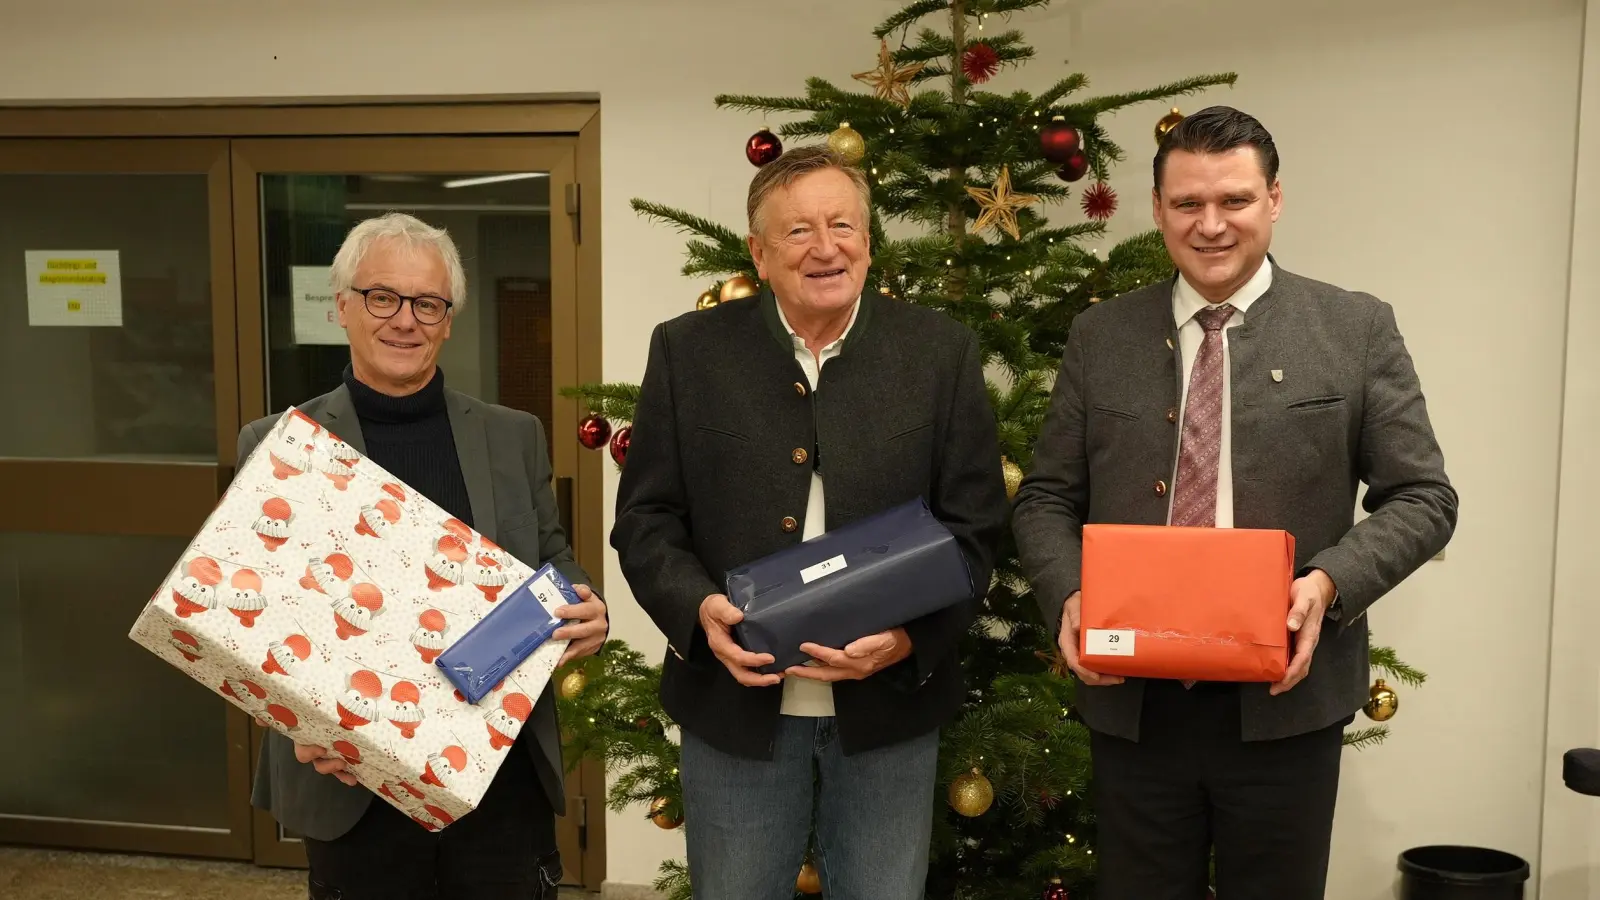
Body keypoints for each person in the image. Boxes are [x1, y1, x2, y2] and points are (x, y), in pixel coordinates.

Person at [1011, 106, 1457, 899]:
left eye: (1235, 201)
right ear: (1157, 210)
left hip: (1287, 703)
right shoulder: (1100, 336)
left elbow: (1422, 497)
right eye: (1187, 204)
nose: (1211, 225)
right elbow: (1046, 497)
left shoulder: (1353, 328)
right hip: (1134, 706)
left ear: (1275, 199)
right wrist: (1069, 596)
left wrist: (1326, 585)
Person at [611, 146, 1010, 899]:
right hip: (736, 711)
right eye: (797, 232)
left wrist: (907, 640)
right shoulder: (689, 352)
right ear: (759, 254)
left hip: (890, 711)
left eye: (843, 225)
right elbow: (647, 518)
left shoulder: (938, 353)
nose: (825, 247)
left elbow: (975, 526)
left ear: (868, 238)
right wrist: (699, 611)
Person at [236, 212, 608, 900]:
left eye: (427, 303)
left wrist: (586, 606)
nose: (405, 320)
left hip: (496, 767)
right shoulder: (281, 445)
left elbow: (551, 559)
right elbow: (253, 616)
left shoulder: (512, 435)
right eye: (383, 297)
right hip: (354, 776)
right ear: (342, 305)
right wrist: (299, 721)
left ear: (447, 319)